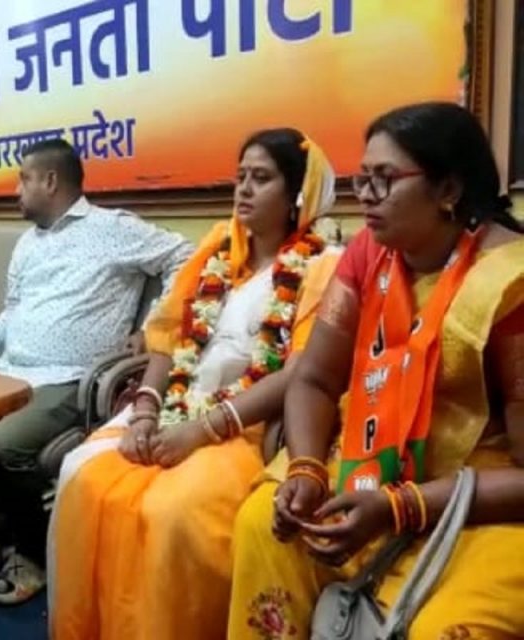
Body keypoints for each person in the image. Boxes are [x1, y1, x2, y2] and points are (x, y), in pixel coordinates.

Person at [228, 103, 524, 639]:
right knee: (262, 523)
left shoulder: (509, 282)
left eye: (384, 179)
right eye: (361, 179)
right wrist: (306, 470)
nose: (365, 195)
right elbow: (316, 379)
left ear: (448, 189)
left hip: (475, 498)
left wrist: (404, 505)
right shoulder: (369, 254)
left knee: (448, 630)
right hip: (367, 463)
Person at [48, 129, 341, 639]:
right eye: (241, 176)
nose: (244, 189)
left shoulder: (321, 265)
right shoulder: (216, 249)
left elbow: (300, 371)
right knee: (79, 474)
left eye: (262, 178)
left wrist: (202, 430)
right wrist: (145, 409)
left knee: (169, 513)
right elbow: (168, 338)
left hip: (246, 425)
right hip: (175, 405)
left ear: (298, 193)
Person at [0, 138, 194, 605]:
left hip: (68, 377)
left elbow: (185, 256)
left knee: (0, 443)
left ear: (50, 181)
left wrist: (152, 327)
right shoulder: (28, 242)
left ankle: (34, 553)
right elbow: (13, 311)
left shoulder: (112, 228)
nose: (16, 190)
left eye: (23, 179)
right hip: (8, 368)